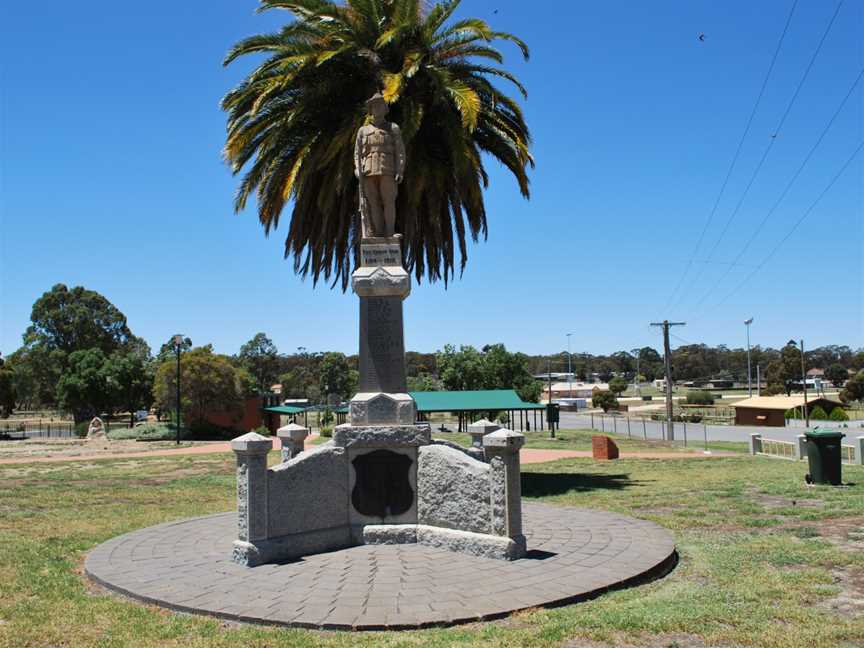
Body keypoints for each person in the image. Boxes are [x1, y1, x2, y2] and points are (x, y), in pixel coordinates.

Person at [354, 93, 406, 238]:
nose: (377, 108)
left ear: (385, 109)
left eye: (380, 105)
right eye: (374, 106)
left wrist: (400, 169)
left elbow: (400, 151)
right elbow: (357, 153)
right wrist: (358, 169)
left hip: (387, 170)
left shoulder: (393, 128)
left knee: (389, 201)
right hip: (368, 172)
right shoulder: (362, 131)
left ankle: (389, 233)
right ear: (370, 109)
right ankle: (378, 233)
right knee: (373, 203)